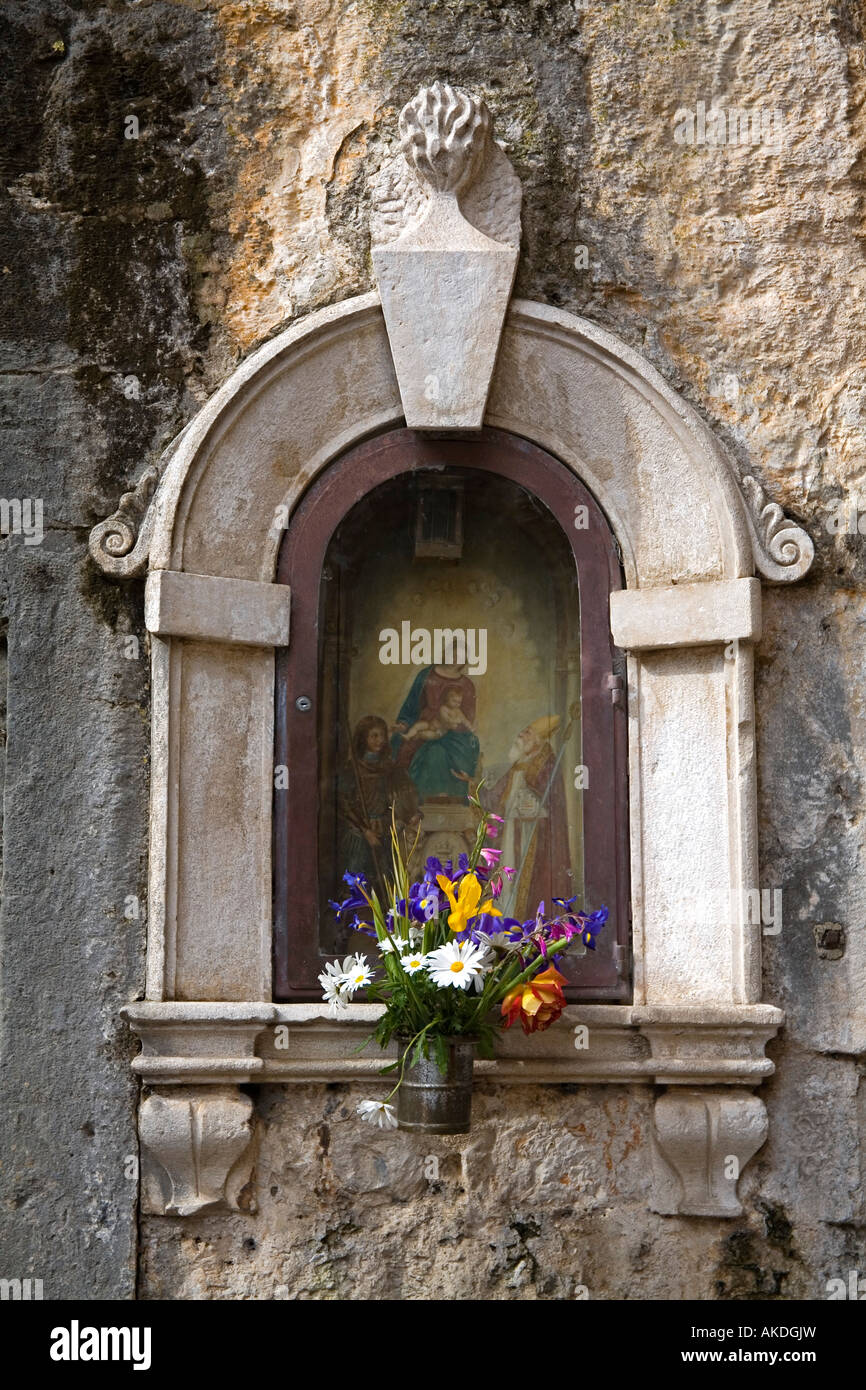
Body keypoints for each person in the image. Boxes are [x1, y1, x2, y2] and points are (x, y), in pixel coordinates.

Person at [485, 714, 569, 919]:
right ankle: (505, 919)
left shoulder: (547, 764)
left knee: (527, 884)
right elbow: (497, 795)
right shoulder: (520, 762)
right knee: (507, 879)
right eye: (524, 729)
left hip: (531, 837)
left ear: (538, 741)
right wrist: (472, 785)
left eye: (529, 732)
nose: (522, 734)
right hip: (510, 835)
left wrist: (534, 808)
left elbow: (551, 804)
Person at [338, 715, 419, 890]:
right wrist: (365, 831)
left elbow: (403, 792)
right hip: (359, 832)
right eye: (374, 736)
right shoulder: (353, 769)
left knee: (387, 878)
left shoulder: (389, 767)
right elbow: (344, 803)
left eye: (382, 735)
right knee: (356, 876)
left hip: (385, 829)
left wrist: (409, 813)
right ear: (363, 738)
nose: (380, 740)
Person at [390, 663, 480, 801]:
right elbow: (412, 705)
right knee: (416, 737)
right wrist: (404, 723)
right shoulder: (426, 675)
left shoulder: (466, 684)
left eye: (460, 656)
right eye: (453, 654)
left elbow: (467, 719)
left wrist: (466, 727)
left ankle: (452, 796)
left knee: (462, 746)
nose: (456, 659)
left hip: (452, 733)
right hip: (431, 724)